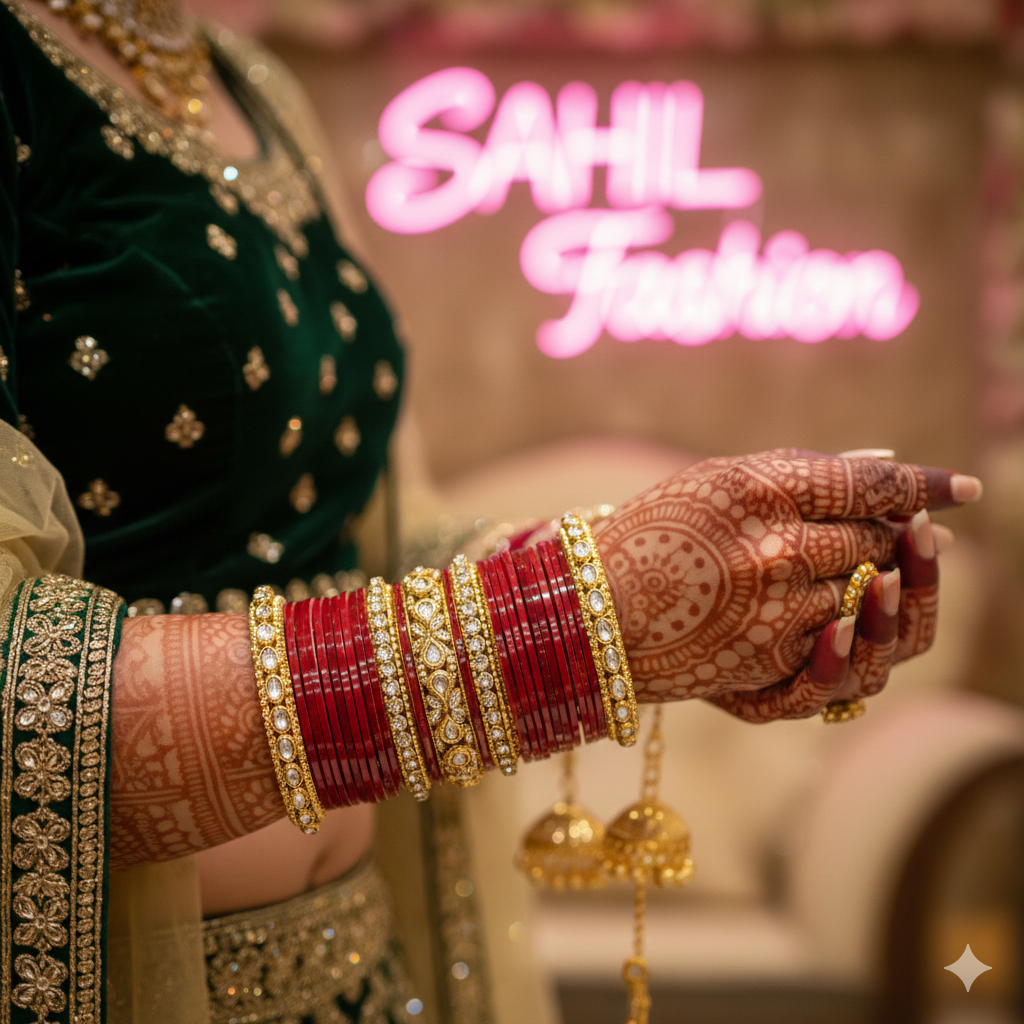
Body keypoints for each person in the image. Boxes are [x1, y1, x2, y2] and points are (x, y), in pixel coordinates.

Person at [0, 1, 982, 1022]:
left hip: (359, 968)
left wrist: (681, 607)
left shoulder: (247, 83)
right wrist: (571, 619)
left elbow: (339, 542)